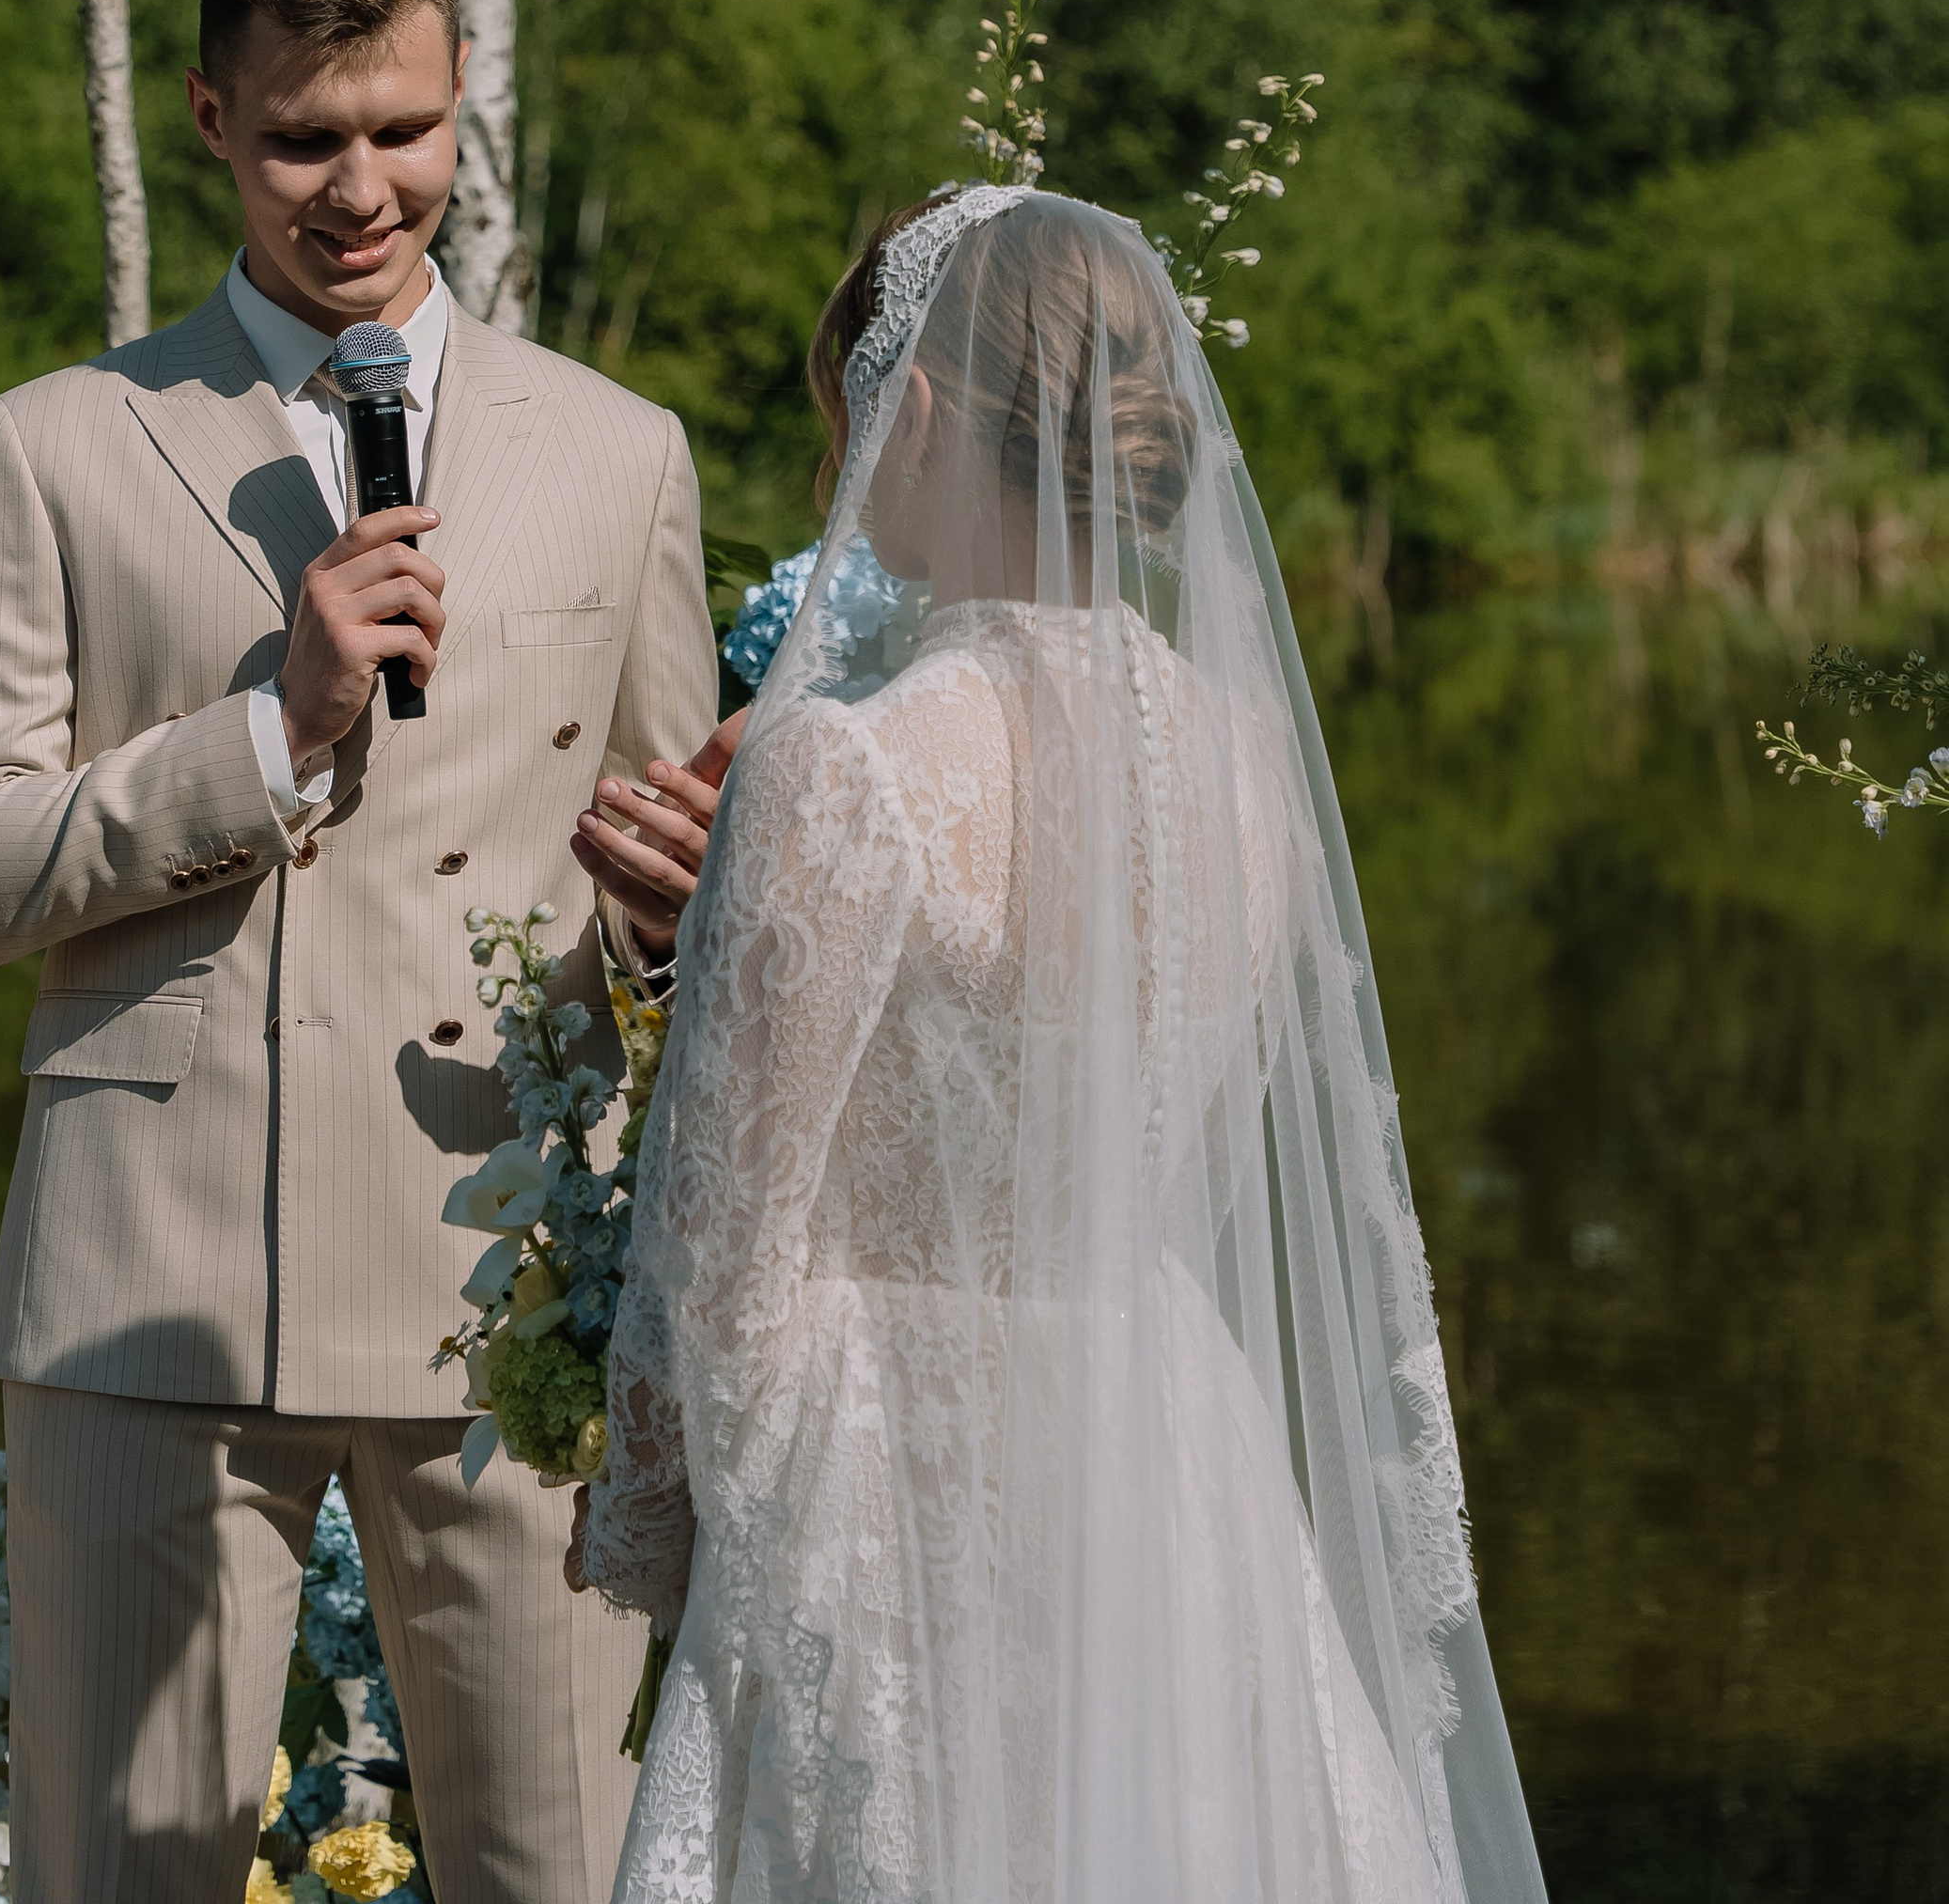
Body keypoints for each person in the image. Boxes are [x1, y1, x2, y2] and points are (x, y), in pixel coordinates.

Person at [0, 0, 725, 1904]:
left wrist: (666, 919)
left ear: (465, 98)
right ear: (208, 115)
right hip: (148, 1289)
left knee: (567, 1876)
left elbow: (672, 890)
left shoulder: (620, 452)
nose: (359, 191)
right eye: (299, 140)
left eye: (403, 130)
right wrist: (267, 734)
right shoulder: (53, 446)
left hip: (518, 1283)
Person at [578, 183, 1551, 1904]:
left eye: (845, 421)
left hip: (885, 1484)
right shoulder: (1249, 762)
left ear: (917, 412)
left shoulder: (845, 771)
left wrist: (652, 1537)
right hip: (1164, 1458)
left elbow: (716, 1263)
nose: (836, 469)